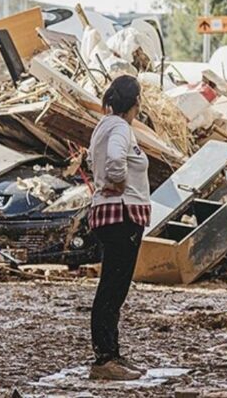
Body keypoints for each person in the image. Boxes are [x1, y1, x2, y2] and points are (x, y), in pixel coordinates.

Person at [87, 75, 151, 381]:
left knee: (114, 288)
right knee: (113, 288)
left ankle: (112, 354)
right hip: (121, 215)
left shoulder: (106, 126)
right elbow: (113, 161)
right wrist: (120, 181)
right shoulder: (120, 128)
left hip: (113, 213)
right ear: (136, 102)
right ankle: (105, 359)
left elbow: (92, 161)